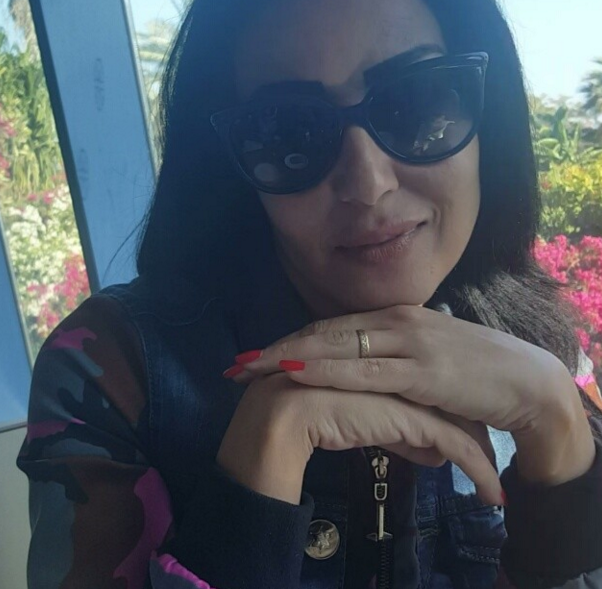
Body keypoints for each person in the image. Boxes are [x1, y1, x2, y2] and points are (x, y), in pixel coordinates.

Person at [16, 0, 602, 587]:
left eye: (416, 102)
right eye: (289, 132)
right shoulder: (115, 371)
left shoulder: (545, 352)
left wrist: (562, 444)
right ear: (230, 166)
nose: (368, 183)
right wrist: (254, 482)